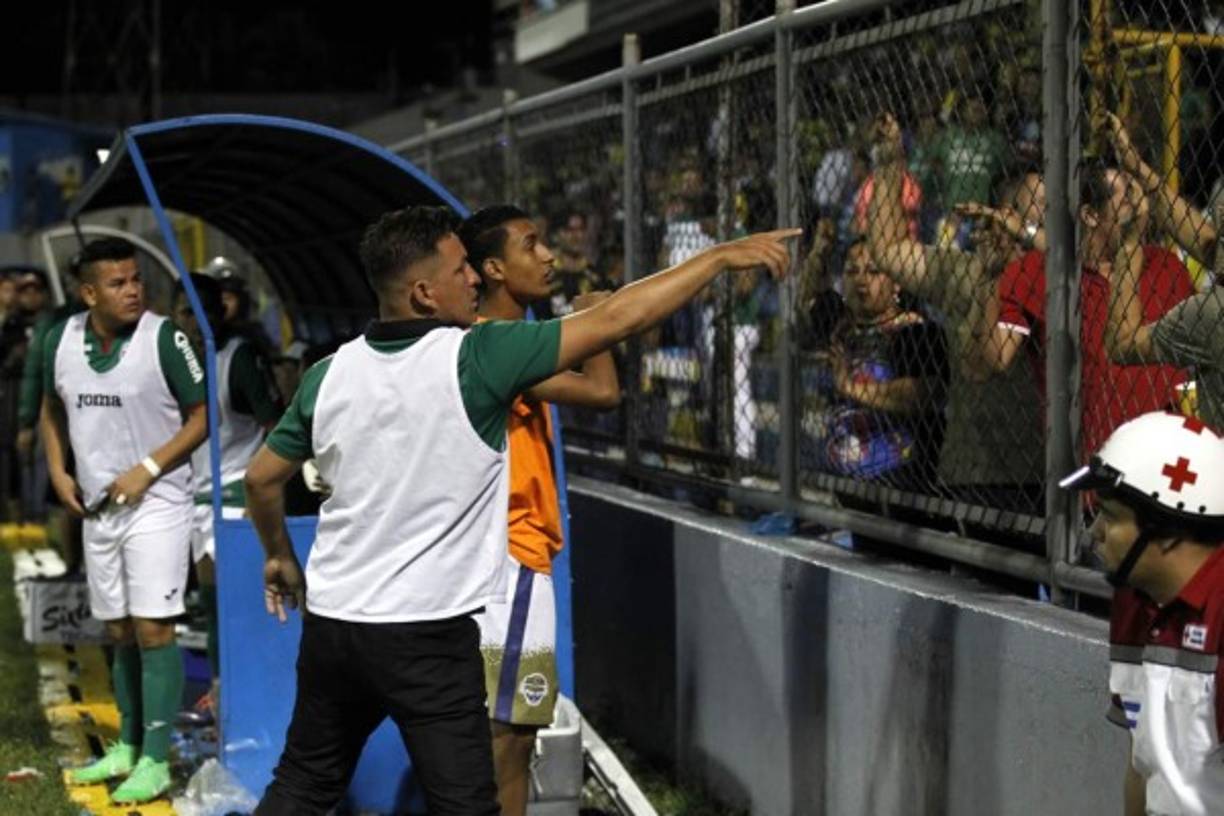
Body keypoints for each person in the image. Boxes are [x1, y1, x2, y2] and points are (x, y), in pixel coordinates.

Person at [243, 205, 796, 815]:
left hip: (335, 626)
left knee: (303, 784)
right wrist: (717, 257)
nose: (475, 280)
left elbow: (263, 478)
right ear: (425, 292)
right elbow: (616, 318)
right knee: (468, 800)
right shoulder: (478, 356)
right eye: (461, 271)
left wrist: (278, 557)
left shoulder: (328, 373)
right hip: (426, 633)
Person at [458, 204, 619, 816]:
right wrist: (595, 318)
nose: (548, 256)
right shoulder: (499, 347)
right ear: (494, 268)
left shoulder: (484, 341)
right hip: (511, 562)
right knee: (511, 736)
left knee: (491, 733)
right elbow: (604, 392)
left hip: (491, 560)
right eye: (533, 245)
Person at [42, 237, 208, 804]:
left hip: (157, 503)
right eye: (117, 283)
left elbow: (202, 415)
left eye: (136, 279)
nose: (133, 289)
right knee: (114, 630)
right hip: (96, 507)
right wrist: (57, 470)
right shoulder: (58, 340)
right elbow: (49, 408)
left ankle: (156, 759)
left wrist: (149, 467)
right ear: (88, 293)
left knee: (153, 627)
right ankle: (127, 745)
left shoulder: (166, 338)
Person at [1060, 411, 1224, 815]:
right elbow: (1143, 764)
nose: (1094, 531)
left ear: (1167, 533)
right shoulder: (1135, 599)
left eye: (1111, 517)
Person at [172, 273, 282, 711]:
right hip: (197, 500)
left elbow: (274, 427)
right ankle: (221, 691)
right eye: (183, 312)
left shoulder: (236, 359)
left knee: (237, 608)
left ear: (216, 312)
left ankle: (242, 697)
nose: (191, 322)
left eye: (199, 310)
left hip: (235, 501)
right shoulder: (179, 363)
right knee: (212, 607)